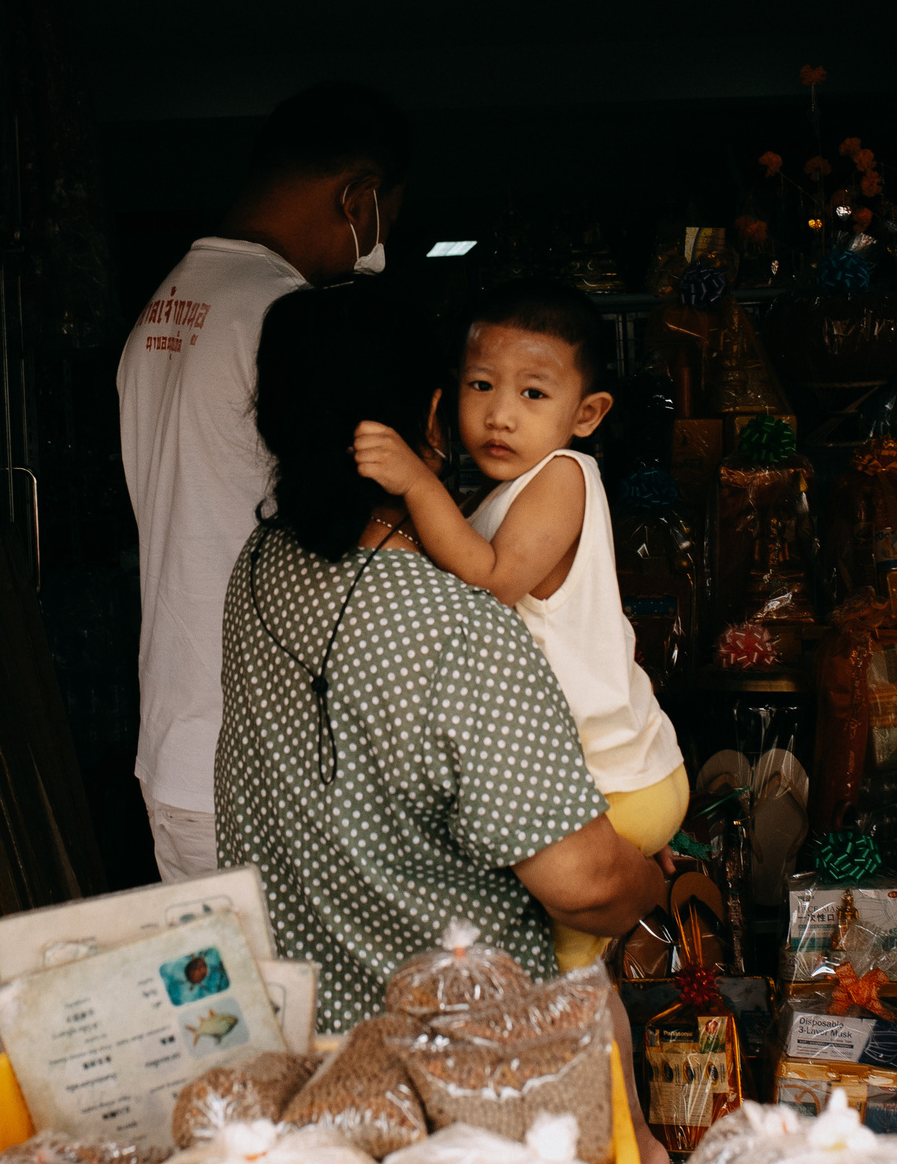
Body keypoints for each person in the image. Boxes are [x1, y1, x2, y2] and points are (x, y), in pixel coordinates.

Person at [215, 280, 664, 1059]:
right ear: (431, 416)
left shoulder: (258, 569)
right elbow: (587, 885)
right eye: (477, 388)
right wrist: (656, 885)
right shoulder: (457, 626)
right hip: (466, 1061)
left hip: (309, 1049)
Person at [350, 277, 686, 1164]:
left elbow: (489, 578)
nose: (501, 414)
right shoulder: (505, 490)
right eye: (479, 386)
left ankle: (632, 1150)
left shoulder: (566, 479)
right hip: (597, 770)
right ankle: (605, 1142)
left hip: (619, 775)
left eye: (534, 394)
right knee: (566, 977)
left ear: (588, 413)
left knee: (571, 986)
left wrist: (415, 482)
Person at [117, 82, 409, 883]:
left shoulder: (163, 308)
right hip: (266, 763)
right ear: (359, 197)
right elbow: (338, 531)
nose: (374, 247)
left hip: (175, 747)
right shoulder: (287, 320)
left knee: (229, 1009)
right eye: (385, 216)